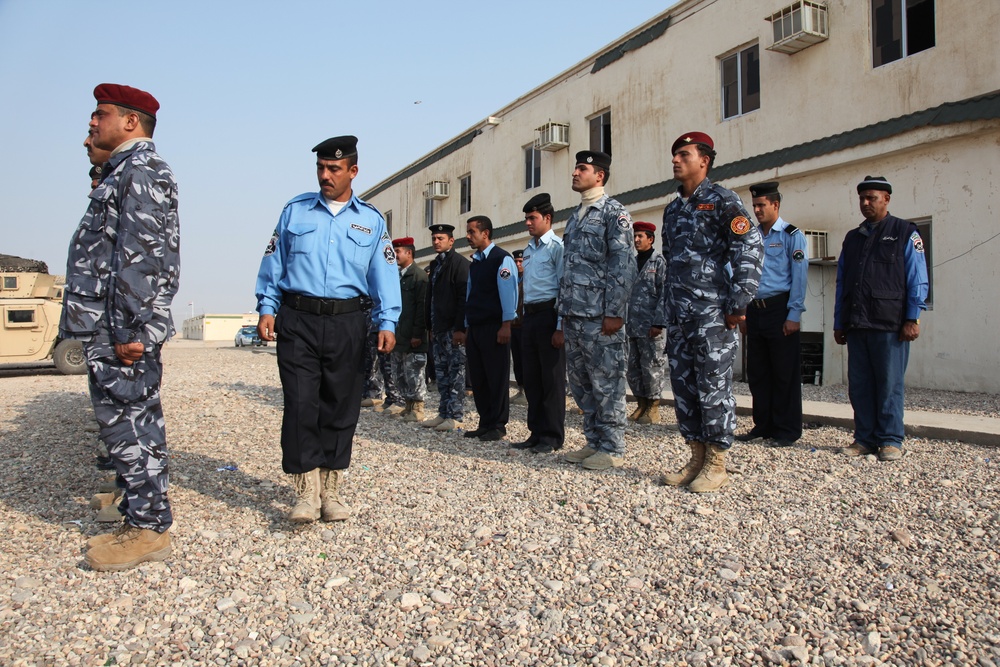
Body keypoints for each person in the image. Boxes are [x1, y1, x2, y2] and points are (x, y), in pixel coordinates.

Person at [61, 83, 180, 570]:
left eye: (101, 114)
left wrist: (132, 330)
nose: (92, 123)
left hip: (121, 330)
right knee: (127, 427)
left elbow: (142, 257)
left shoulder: (142, 170)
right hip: (111, 326)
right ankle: (139, 515)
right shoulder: (124, 171)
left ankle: (149, 530)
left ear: (131, 122)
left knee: (131, 426)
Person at [255, 135, 401, 523]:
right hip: (298, 318)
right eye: (320, 168)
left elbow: (384, 274)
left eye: (334, 169)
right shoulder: (295, 211)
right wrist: (267, 307)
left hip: (349, 322)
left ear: (352, 171)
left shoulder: (370, 220)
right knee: (301, 402)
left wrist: (388, 320)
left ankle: (331, 488)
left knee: (341, 403)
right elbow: (274, 261)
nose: (325, 175)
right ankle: (306, 491)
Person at [659, 132, 763, 493]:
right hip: (680, 314)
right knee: (684, 387)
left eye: (683, 154)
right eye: (674, 155)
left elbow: (748, 246)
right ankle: (696, 456)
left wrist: (739, 302)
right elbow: (670, 262)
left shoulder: (723, 200)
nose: (675, 160)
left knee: (713, 386)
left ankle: (717, 462)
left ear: (704, 160)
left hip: (712, 312)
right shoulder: (672, 209)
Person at [834, 176, 927, 461]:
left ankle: (890, 439)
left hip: (890, 324)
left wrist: (913, 317)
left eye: (871, 198)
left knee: (889, 384)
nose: (865, 203)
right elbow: (842, 283)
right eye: (862, 198)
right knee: (860, 385)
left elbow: (918, 278)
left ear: (886, 199)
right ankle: (864, 438)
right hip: (858, 323)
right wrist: (839, 321)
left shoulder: (905, 232)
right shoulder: (853, 237)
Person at [559, 151, 637, 471]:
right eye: (576, 167)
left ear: (599, 176)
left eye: (582, 168)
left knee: (608, 382)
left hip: (600, 317)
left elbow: (624, 264)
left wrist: (614, 312)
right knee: (581, 384)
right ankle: (594, 441)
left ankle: (613, 447)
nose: (575, 173)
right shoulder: (575, 216)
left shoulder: (614, 213)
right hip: (574, 314)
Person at [736, 182, 807, 448]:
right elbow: (742, 272)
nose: (757, 210)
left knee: (784, 372)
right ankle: (763, 425)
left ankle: (786, 429)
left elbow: (799, 277)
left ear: (775, 205)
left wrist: (794, 314)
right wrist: (741, 310)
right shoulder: (751, 236)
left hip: (780, 309)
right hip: (755, 310)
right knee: (758, 371)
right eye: (754, 205)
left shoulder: (791, 235)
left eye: (761, 205)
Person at [510, 193, 567, 454]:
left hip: (548, 317)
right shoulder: (530, 249)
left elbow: (564, 288)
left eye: (532, 218)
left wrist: (560, 326)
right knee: (532, 379)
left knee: (551, 380)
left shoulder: (557, 248)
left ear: (547, 218)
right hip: (530, 319)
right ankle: (535, 432)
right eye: (526, 219)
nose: (528, 223)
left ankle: (552, 435)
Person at [457, 216, 518, 441]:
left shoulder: (502, 259)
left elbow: (509, 294)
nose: (468, 236)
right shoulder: (476, 263)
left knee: (496, 376)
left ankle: (498, 424)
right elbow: (470, 295)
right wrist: (466, 326)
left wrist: (506, 325)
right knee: (480, 377)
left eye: (472, 232)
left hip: (495, 327)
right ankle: (485, 421)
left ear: (486, 233)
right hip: (476, 327)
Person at [422, 224, 470, 432]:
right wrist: (429, 326)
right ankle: (443, 412)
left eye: (440, 238)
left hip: (453, 329)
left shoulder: (459, 264)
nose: (436, 242)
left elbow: (463, 299)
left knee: (456, 372)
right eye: (434, 238)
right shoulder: (436, 264)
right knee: (441, 374)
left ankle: (456, 414)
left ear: (451, 241)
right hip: (438, 328)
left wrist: (460, 328)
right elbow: (431, 298)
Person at [625, 221, 668, 425]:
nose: (636, 240)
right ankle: (641, 403)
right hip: (632, 325)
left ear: (650, 239)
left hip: (651, 325)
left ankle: (653, 406)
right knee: (634, 368)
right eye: (635, 236)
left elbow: (664, 294)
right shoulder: (631, 263)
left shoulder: (658, 262)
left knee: (652, 366)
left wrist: (659, 322)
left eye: (640, 236)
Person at [388, 237, 429, 422]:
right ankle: (408, 405)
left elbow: (422, 307)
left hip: (413, 336)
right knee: (399, 373)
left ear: (409, 253)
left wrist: (417, 333)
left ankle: (418, 407)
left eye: (398, 251)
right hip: (399, 335)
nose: (395, 255)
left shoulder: (419, 276)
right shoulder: (397, 276)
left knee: (414, 373)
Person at [509, 249, 527, 406]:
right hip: (514, 325)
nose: (518, 264)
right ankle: (520, 389)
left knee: (527, 358)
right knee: (517, 359)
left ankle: (528, 391)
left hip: (526, 325)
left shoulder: (529, 280)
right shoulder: (512, 280)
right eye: (516, 262)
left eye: (520, 261)